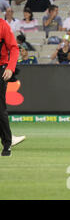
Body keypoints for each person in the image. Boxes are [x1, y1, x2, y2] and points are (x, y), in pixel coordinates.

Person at [0, 15, 20, 156]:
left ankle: (7, 144)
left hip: (1, 68)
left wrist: (10, 67)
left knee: (0, 108)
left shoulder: (3, 26)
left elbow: (14, 48)